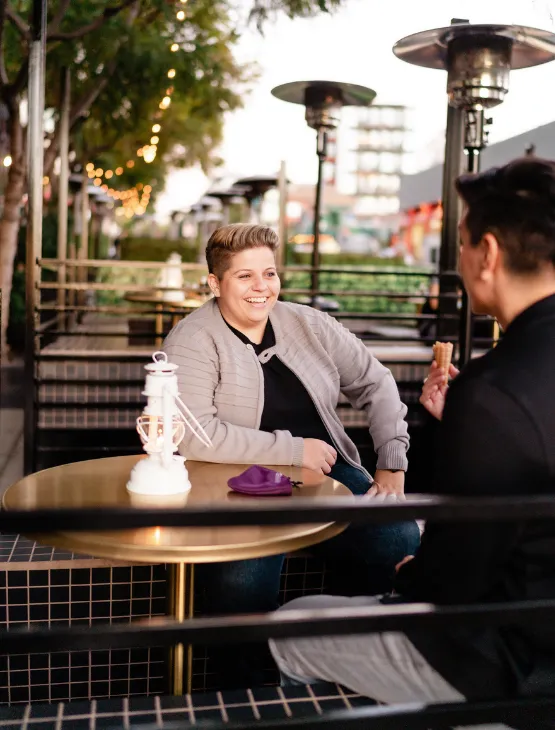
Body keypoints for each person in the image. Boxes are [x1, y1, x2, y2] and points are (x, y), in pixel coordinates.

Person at [270, 157, 555, 726]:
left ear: (489, 254)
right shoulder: (492, 394)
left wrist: (407, 575)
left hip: (511, 661)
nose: (461, 261)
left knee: (287, 629)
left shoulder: (495, 390)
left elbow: (452, 581)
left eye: (464, 243)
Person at [163, 223, 420, 686]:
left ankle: (340, 665)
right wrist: (292, 448)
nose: (262, 288)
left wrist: (391, 463)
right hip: (234, 485)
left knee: (396, 538)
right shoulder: (193, 338)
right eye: (244, 277)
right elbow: (193, 434)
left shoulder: (308, 324)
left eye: (270, 273)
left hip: (326, 473)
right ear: (215, 283)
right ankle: (250, 695)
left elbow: (376, 381)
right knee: (241, 580)